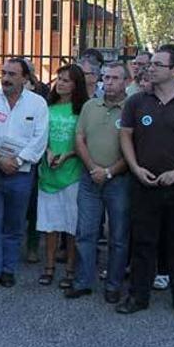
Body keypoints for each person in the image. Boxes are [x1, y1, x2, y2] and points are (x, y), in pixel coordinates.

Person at [117, 45, 174, 318]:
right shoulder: (137, 102)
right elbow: (125, 135)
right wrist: (134, 167)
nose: (150, 68)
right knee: (143, 242)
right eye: (151, 63)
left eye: (158, 64)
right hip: (144, 184)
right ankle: (138, 296)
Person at [0, 58, 49, 289]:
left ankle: (8, 269)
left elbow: (40, 138)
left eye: (12, 74)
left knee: (14, 224)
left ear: (25, 78)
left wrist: (17, 161)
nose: (5, 78)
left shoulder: (37, 104)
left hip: (21, 173)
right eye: (3, 73)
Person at [66, 62, 131, 303]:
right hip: (90, 179)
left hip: (120, 181)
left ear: (126, 81)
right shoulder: (90, 106)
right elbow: (79, 138)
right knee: (86, 233)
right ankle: (83, 282)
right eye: (105, 77)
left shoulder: (131, 108)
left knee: (119, 236)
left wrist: (110, 172)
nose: (109, 82)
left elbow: (134, 150)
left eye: (115, 78)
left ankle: (113, 285)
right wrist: (94, 168)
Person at [36, 65, 87, 289]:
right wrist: (47, 151)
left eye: (67, 80)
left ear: (76, 84)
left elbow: (87, 142)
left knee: (71, 225)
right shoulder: (48, 107)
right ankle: (48, 267)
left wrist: (68, 155)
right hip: (48, 173)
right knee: (49, 225)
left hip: (72, 174)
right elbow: (40, 136)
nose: (61, 83)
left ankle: (69, 268)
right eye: (60, 79)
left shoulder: (83, 110)